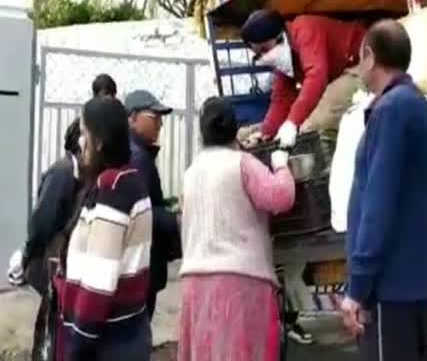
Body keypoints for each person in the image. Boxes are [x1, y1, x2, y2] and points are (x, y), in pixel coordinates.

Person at [341, 20, 427, 361]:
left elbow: (378, 206)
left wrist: (358, 288)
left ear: (369, 56)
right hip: (410, 281)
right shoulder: (415, 104)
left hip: (389, 289)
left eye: (359, 57)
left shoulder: (392, 111)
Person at [178, 96, 296, 361]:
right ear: (234, 128)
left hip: (195, 282)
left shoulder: (191, 172)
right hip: (239, 282)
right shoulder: (242, 164)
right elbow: (281, 197)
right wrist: (280, 164)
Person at [54, 97, 153, 361]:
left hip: (106, 341)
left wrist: (78, 344)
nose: (80, 143)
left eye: (84, 133)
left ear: (99, 141)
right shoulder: (128, 179)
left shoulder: (113, 189)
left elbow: (100, 279)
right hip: (127, 332)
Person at [8, 120, 85, 361]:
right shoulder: (63, 173)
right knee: (51, 326)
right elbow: (41, 222)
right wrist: (27, 253)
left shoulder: (77, 174)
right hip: (49, 265)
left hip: (60, 268)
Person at [240, 9, 368, 147]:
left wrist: (292, 122)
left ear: (280, 36)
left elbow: (316, 77)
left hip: (363, 63)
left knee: (315, 125)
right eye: (258, 54)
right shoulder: (285, 56)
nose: (264, 57)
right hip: (340, 73)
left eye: (265, 49)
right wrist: (265, 133)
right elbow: (282, 98)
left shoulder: (305, 29)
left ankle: (326, 167)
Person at [124, 89, 182, 319]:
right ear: (132, 117)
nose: (160, 124)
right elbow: (139, 210)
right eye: (154, 117)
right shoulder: (137, 156)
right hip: (141, 263)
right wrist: (175, 220)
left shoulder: (137, 153)